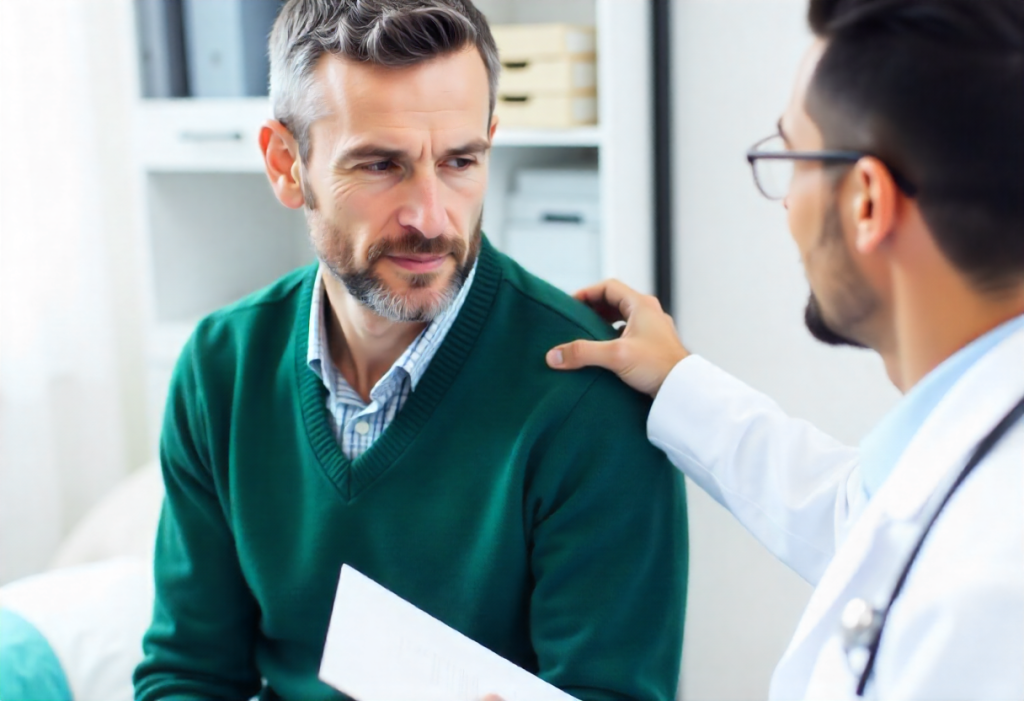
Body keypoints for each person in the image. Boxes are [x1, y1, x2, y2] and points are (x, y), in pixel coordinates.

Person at [133, 1, 687, 700]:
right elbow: (187, 673)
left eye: (460, 161)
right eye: (380, 165)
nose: (430, 216)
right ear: (286, 164)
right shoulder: (221, 370)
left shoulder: (589, 399)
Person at [547, 0, 1024, 698]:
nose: (784, 203)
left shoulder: (985, 589)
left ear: (867, 201)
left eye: (791, 156)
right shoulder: (976, 460)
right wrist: (678, 381)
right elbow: (864, 519)